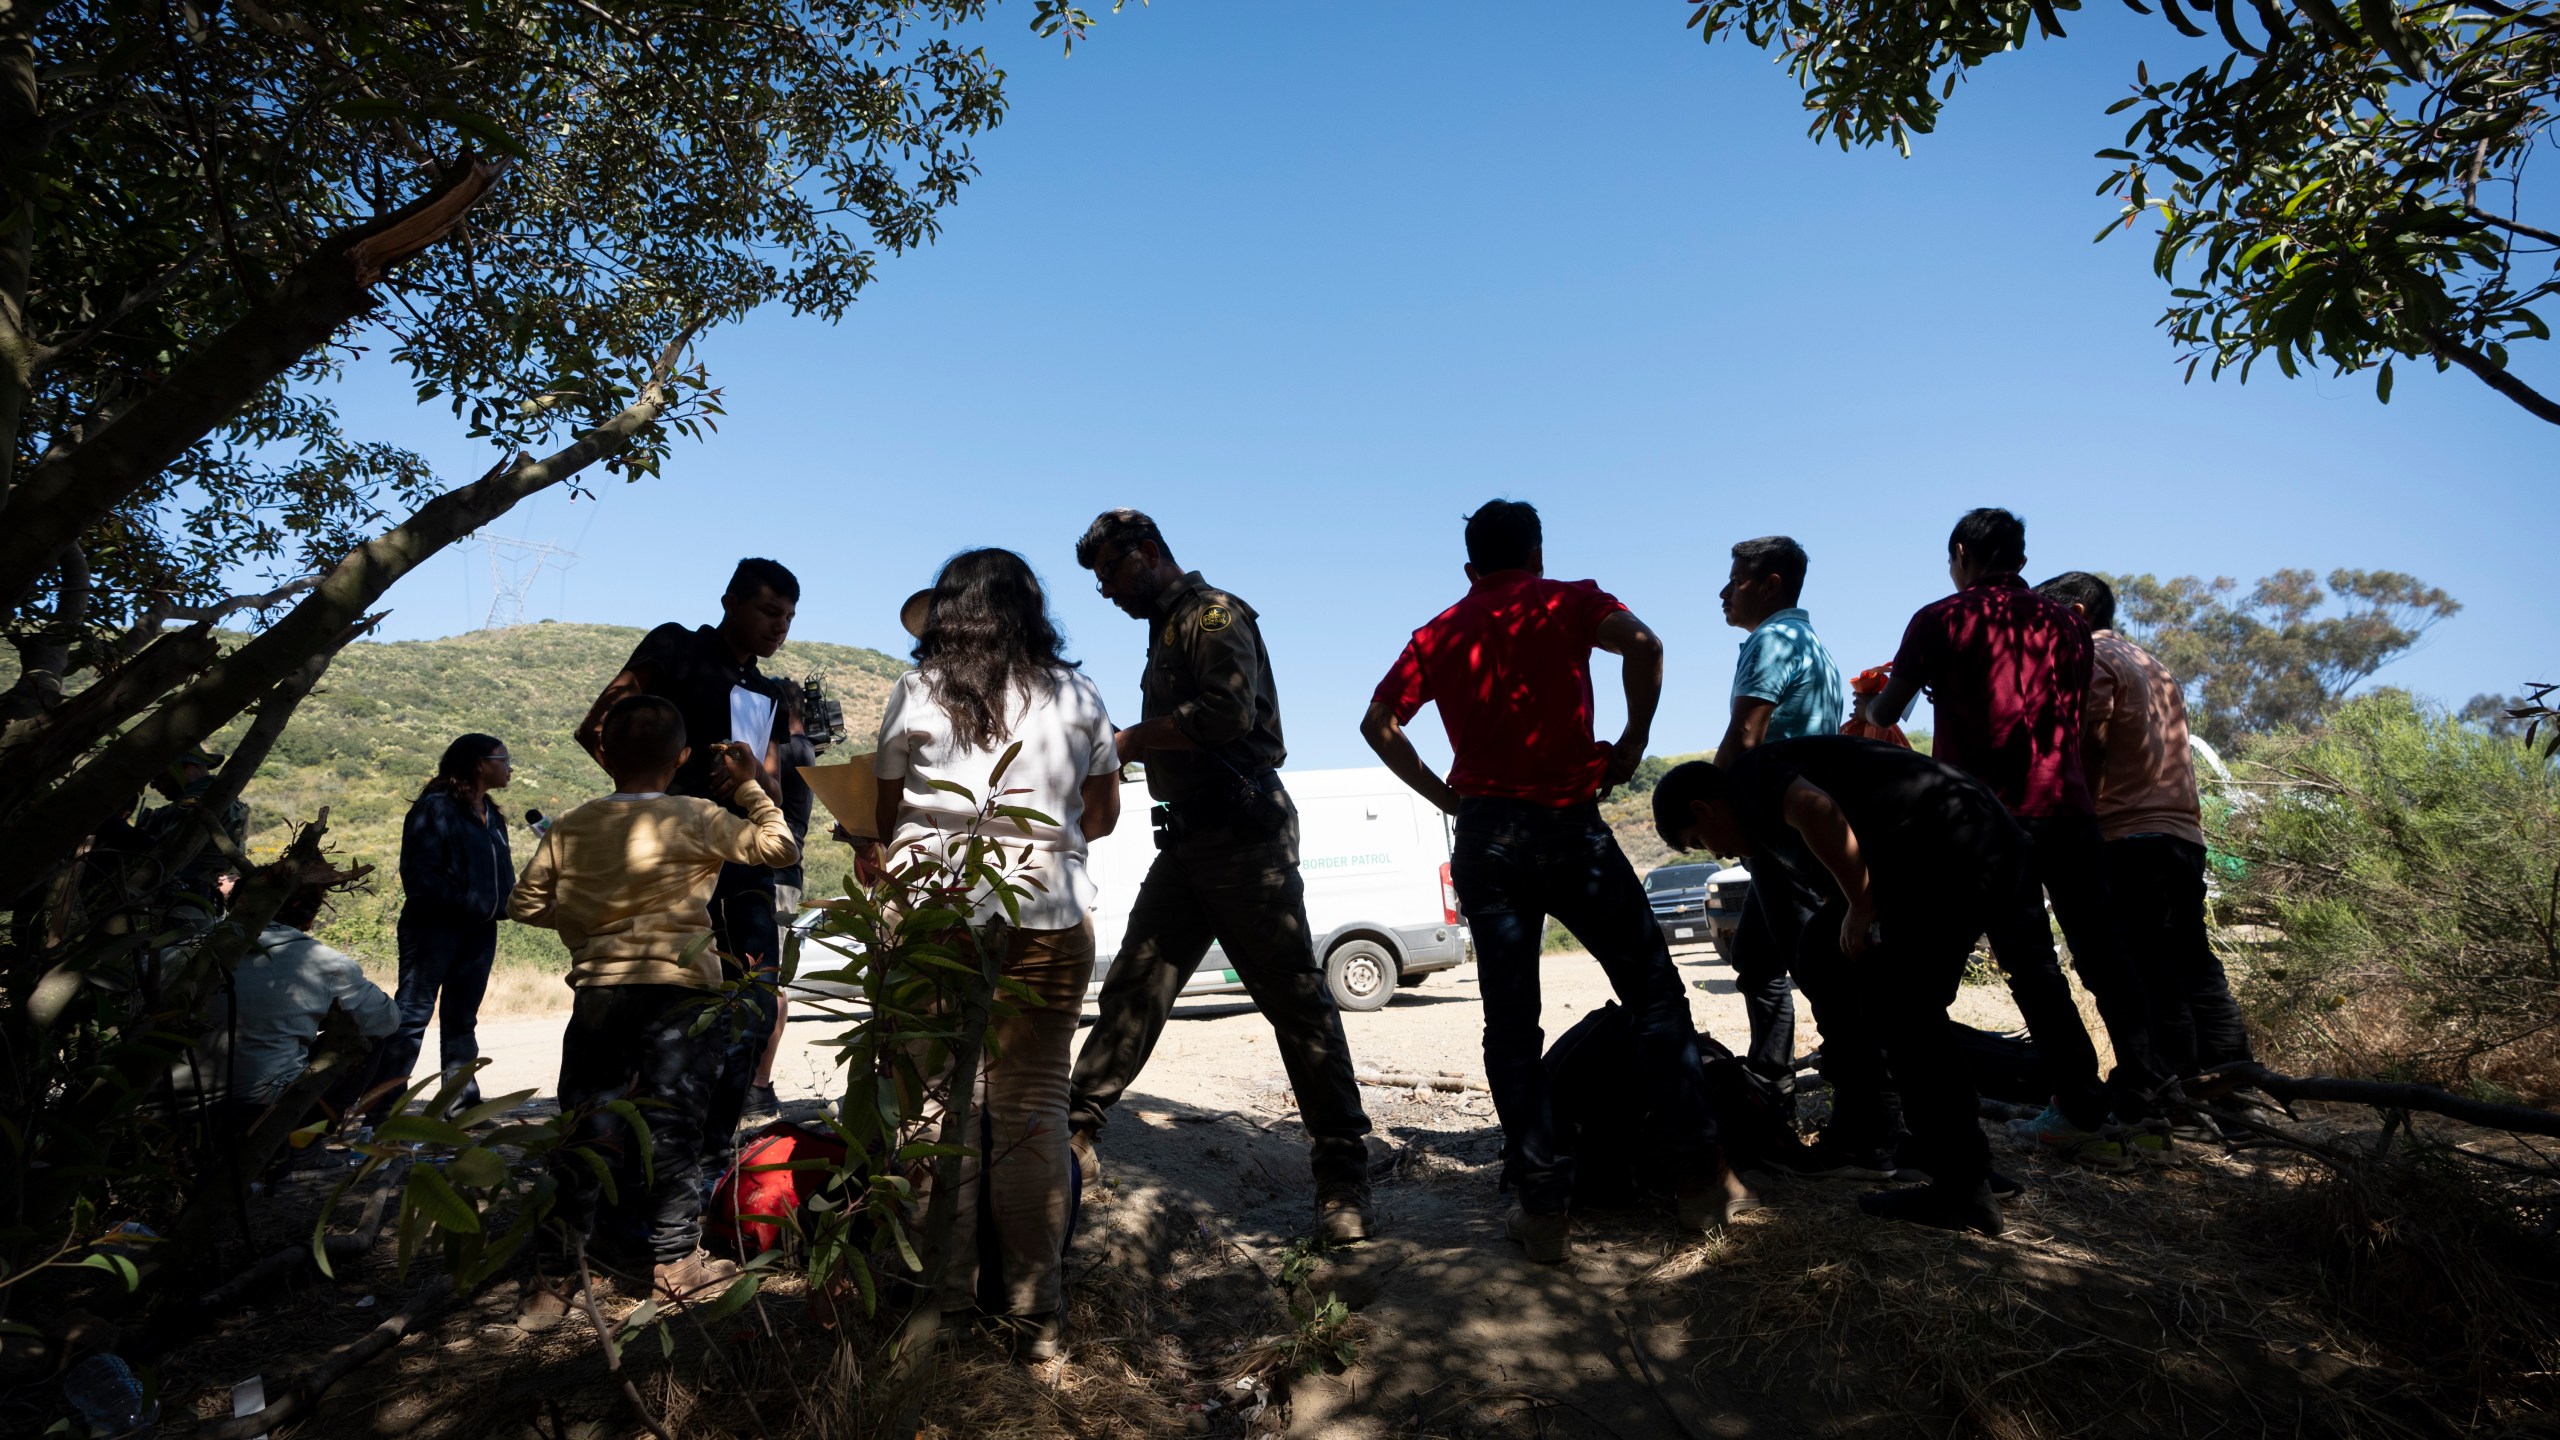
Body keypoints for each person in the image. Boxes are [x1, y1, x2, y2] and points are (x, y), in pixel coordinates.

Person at [1361, 499, 1734, 1264]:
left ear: (1470, 567)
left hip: (1488, 839)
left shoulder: (1436, 633)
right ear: (1536, 553)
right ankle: (1700, 1186)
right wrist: (1632, 740)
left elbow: (1378, 723)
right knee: (1655, 995)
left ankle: (1541, 1207)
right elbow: (1645, 644)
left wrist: (1447, 797)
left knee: (1512, 1024)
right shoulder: (1568, 599)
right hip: (1573, 830)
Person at [1065, 509, 1375, 1244]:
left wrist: (1129, 741)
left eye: (1111, 570)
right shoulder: (1166, 631)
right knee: (1136, 986)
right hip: (1192, 840)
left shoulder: (1210, 616)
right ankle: (1072, 1133)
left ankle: (1343, 1181)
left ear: (1147, 553)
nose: (1105, 588)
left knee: (1297, 1005)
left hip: (1242, 836)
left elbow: (1229, 711)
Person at [858, 548, 1121, 1360]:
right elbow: (1103, 814)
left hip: (935, 917)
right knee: (1033, 1105)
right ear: (1031, 610)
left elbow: (881, 806)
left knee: (936, 1107)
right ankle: (1035, 1314)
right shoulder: (1078, 694)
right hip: (1047, 913)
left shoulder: (919, 690)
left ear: (948, 613)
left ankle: (942, 1309)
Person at [1859, 509, 2160, 1167]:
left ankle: (2062, 1106)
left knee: (2009, 963)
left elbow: (1887, 710)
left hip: (1986, 817)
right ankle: (2146, 1093)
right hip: (2070, 809)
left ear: (1962, 552)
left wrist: (1876, 696)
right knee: (2104, 955)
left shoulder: (1940, 618)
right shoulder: (2071, 627)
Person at [1653, 741, 2031, 1235]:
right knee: (1872, 986)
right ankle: (1948, 1160)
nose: (1718, 853)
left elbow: (1817, 808)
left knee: (1903, 1012)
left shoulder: (1747, 780)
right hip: (1981, 840)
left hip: (1949, 847)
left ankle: (1957, 1178)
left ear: (1703, 808)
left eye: (1700, 839)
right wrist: (1851, 905)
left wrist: (1863, 904)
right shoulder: (1766, 816)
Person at [511, 695, 800, 1328]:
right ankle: (674, 1265)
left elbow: (525, 905)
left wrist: (586, 927)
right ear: (682, 758)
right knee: (674, 1127)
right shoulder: (695, 815)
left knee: (583, 1128)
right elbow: (779, 848)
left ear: (606, 754)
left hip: (599, 995)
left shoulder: (570, 825)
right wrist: (750, 786)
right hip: (680, 996)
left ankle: (554, 1278)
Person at [575, 558, 799, 1172]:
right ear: (729, 601)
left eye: (788, 617)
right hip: (664, 871)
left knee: (749, 1009)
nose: (779, 626)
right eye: (768, 611)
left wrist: (752, 784)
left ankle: (702, 1162)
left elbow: (774, 791)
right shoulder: (675, 646)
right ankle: (614, 1168)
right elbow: (598, 725)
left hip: (742, 870)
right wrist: (648, 808)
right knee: (651, 1016)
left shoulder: (768, 692)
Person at [2034, 572, 2255, 1089]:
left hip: (2127, 837)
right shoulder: (2150, 662)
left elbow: (2088, 740)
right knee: (2192, 963)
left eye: (2049, 621)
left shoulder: (2091, 659)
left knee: (2149, 969)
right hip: (2180, 834)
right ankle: (2234, 1093)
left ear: (2078, 615)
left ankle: (2168, 1091)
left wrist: (2070, 813)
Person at [1710, 536, 1847, 1122]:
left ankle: (1867, 1116)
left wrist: (1709, 805)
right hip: (1793, 831)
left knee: (1819, 969)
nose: (1723, 591)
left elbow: (1746, 735)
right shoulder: (1812, 643)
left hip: (1786, 833)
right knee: (1757, 959)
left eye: (1735, 579)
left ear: (1769, 584)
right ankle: (1770, 1076)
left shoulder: (1772, 637)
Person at [374, 733, 512, 1118]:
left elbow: (501, 876)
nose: (509, 766)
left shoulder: (493, 814)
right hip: (433, 928)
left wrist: (506, 905)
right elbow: (420, 877)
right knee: (413, 1016)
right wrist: (470, 904)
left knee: (461, 1019)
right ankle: (379, 1113)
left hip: (481, 930)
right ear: (478, 763)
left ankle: (462, 1107)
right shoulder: (434, 808)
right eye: (503, 758)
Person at [194, 882, 398, 1124]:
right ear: (309, 920)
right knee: (366, 1040)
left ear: (235, 905)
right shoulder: (323, 963)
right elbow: (386, 1020)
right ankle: (303, 1146)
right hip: (262, 1109)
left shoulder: (181, 949)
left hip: (166, 1108)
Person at [747, 684, 820, 1114]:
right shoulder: (805, 749)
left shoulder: (791, 749)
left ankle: (758, 1083)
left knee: (767, 980)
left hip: (775, 871)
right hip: (783, 872)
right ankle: (756, 1082)